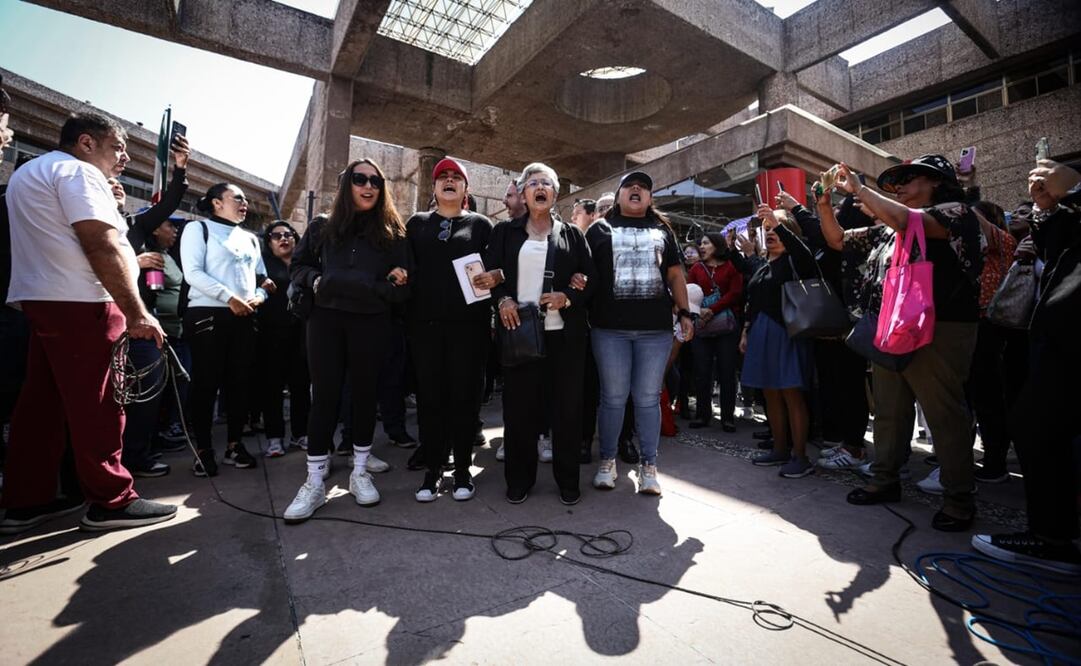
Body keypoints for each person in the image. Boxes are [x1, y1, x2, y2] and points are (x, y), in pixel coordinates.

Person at [0, 111, 176, 533]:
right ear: (85, 142)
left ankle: (28, 500)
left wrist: (115, 206)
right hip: (83, 301)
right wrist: (136, 311)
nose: (124, 158)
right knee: (102, 401)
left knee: (41, 402)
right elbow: (100, 242)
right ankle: (112, 500)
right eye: (118, 147)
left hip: (42, 299)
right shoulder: (78, 173)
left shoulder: (32, 173)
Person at [832, 155, 984, 532]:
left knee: (943, 413)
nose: (898, 186)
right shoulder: (889, 226)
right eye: (896, 181)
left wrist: (859, 188)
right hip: (894, 325)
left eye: (909, 179)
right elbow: (837, 239)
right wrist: (822, 204)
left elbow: (905, 220)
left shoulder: (956, 212)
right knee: (888, 408)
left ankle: (959, 500)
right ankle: (884, 479)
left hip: (943, 326)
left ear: (937, 183)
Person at [283, 159, 409, 523]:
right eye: (359, 179)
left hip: (371, 321)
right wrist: (318, 282)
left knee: (366, 395)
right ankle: (313, 481)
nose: (368, 186)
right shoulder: (323, 226)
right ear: (347, 185)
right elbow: (299, 266)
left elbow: (405, 283)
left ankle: (359, 472)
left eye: (375, 180)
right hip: (325, 320)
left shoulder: (392, 231)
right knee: (324, 396)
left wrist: (385, 287)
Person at [973, 159, 1081, 574]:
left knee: (1037, 422)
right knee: (1035, 422)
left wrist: (1071, 188)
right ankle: (1053, 536)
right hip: (1057, 333)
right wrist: (1049, 208)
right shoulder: (1062, 219)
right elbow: (1060, 247)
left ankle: (1053, 538)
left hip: (1068, 333)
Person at [478, 163, 595, 504]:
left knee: (566, 412)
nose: (539, 187)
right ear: (524, 194)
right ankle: (519, 479)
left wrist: (568, 296)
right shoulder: (504, 233)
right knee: (518, 412)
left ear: (555, 194)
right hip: (520, 334)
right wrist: (502, 301)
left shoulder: (572, 234)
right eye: (533, 183)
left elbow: (591, 278)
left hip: (564, 338)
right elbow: (490, 276)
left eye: (546, 182)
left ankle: (568, 480)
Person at [586, 171, 695, 496]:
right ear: (619, 195)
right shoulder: (599, 229)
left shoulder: (662, 230)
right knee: (613, 399)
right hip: (609, 330)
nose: (637, 189)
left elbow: (676, 275)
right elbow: (584, 273)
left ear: (649, 198)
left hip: (655, 332)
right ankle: (607, 462)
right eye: (630, 186)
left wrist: (686, 312)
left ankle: (650, 467)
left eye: (644, 187)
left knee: (647, 400)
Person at [407, 158, 493, 502]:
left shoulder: (482, 225)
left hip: (469, 329)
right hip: (424, 329)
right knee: (430, 399)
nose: (448, 180)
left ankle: (461, 472)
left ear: (465, 189)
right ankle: (431, 470)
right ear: (433, 188)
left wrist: (496, 277)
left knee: (464, 399)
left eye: (456, 177)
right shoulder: (416, 224)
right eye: (442, 176)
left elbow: (500, 269)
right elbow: (404, 268)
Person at [181, 182, 268, 477]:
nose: (245, 204)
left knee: (240, 383)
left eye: (245, 200)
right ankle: (203, 450)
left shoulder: (251, 238)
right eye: (238, 199)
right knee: (206, 384)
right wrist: (228, 297)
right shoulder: (198, 230)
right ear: (217, 202)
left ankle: (234, 445)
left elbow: (263, 280)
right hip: (208, 315)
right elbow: (193, 273)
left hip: (245, 317)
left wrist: (259, 296)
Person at [741, 206, 817, 478]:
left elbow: (806, 256)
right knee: (770, 393)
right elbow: (754, 301)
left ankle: (800, 456)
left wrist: (778, 220)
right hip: (761, 332)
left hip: (787, 333)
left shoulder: (796, 260)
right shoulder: (765, 265)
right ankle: (780, 449)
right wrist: (746, 330)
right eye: (768, 228)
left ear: (790, 232)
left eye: (776, 227)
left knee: (791, 394)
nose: (770, 231)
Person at [258, 221, 310, 458]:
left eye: (288, 234)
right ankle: (274, 438)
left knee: (301, 385)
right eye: (276, 235)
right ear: (268, 242)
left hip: (302, 333)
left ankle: (300, 433)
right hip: (272, 334)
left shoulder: (305, 264)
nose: (283, 239)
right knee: (272, 386)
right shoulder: (263, 266)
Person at [687, 231, 743, 431]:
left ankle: (727, 417)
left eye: (706, 243)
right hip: (701, 325)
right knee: (702, 371)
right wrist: (700, 310)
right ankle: (703, 415)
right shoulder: (695, 268)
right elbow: (689, 290)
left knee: (727, 371)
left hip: (726, 327)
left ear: (717, 245)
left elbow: (735, 293)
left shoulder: (731, 267)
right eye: (700, 244)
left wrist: (713, 309)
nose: (701, 247)